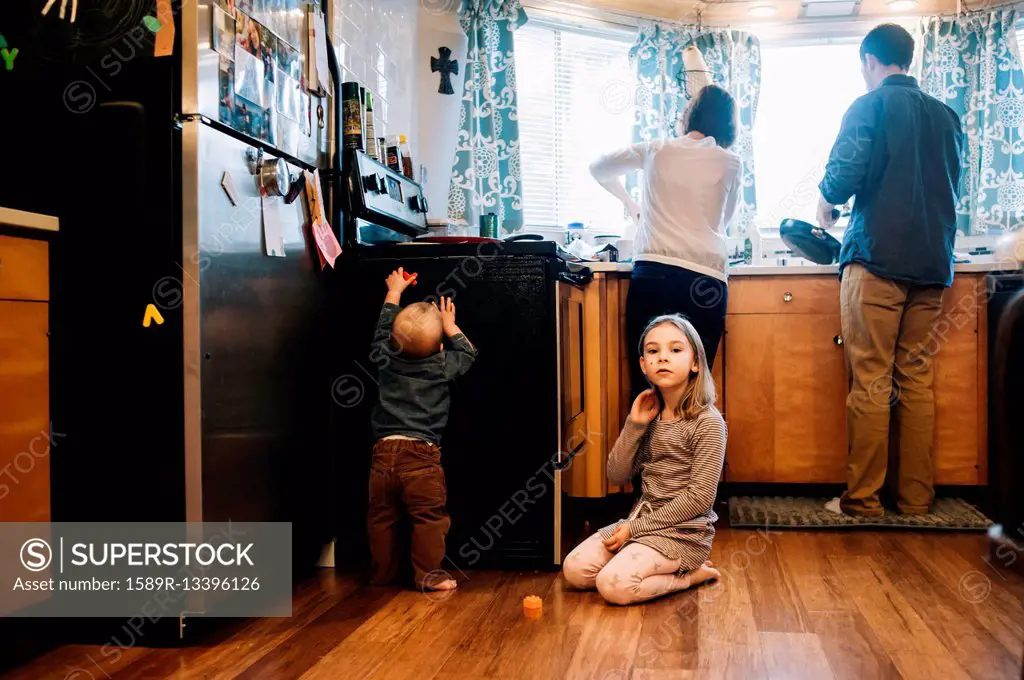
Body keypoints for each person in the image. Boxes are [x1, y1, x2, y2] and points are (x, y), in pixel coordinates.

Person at [816, 23, 964, 517]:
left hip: (877, 260)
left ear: (868, 60)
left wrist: (824, 202)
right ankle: (917, 499)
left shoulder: (870, 105)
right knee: (916, 378)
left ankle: (862, 500)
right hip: (931, 263)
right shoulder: (947, 116)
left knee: (873, 380)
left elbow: (840, 181)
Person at [590, 84, 742, 399]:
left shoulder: (657, 149)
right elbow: (722, 222)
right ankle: (695, 448)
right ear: (729, 126)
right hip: (705, 280)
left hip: (655, 277)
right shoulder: (730, 162)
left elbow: (598, 168)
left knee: (647, 390)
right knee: (695, 390)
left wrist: (630, 203)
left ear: (690, 116)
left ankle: (649, 448)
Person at [562, 314, 725, 605]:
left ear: (695, 363)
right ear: (643, 365)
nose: (663, 357)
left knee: (613, 586)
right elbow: (617, 475)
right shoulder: (649, 416)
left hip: (683, 534)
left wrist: (632, 530)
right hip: (641, 521)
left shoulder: (708, 422)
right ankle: (639, 558)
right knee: (574, 571)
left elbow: (699, 498)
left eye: (675, 350)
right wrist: (634, 425)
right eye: (653, 351)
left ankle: (691, 574)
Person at [366, 267, 478, 591]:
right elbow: (468, 354)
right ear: (441, 347)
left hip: (382, 454)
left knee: (380, 519)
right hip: (422, 458)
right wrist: (451, 326)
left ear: (390, 343)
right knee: (429, 519)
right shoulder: (442, 366)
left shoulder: (384, 358)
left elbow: (381, 330)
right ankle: (429, 575)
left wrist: (395, 292)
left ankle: (382, 574)